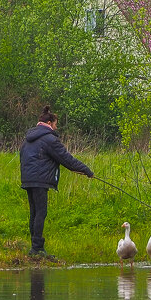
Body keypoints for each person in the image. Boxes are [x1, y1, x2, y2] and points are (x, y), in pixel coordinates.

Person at [19, 106, 93, 260]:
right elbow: (67, 159)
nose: (56, 127)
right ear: (49, 122)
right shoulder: (50, 139)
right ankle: (37, 248)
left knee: (34, 212)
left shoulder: (28, 139)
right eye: (56, 124)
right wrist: (86, 170)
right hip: (40, 180)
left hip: (28, 179)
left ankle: (35, 247)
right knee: (41, 212)